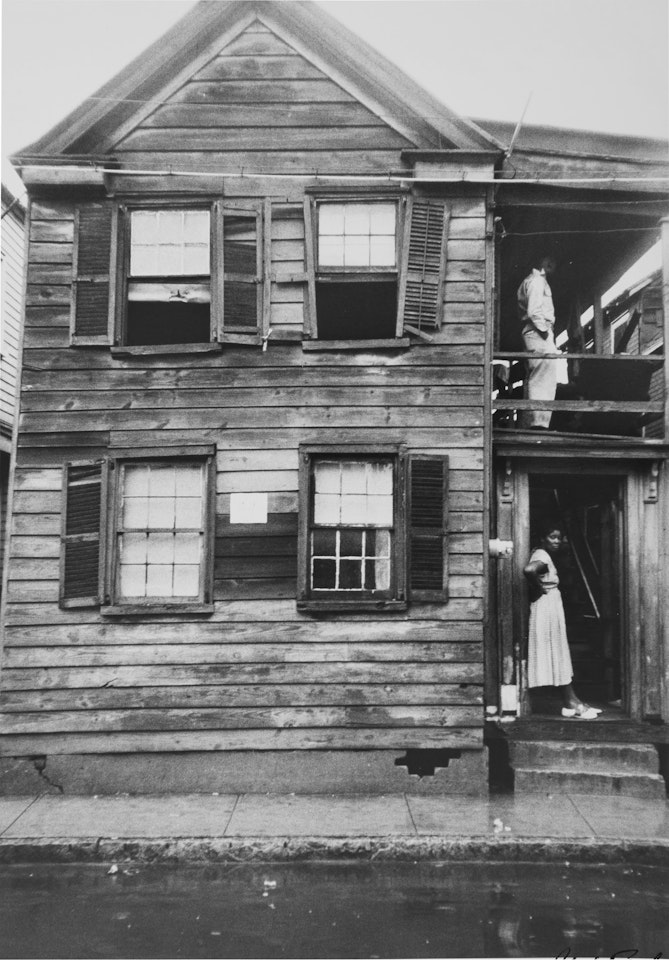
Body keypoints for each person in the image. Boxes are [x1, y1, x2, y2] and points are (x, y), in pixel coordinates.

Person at [523, 523, 601, 719]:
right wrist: (540, 589)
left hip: (549, 605)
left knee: (558, 651)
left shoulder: (541, 553)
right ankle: (572, 702)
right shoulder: (541, 555)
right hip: (547, 605)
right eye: (552, 537)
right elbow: (530, 570)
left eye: (559, 538)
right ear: (543, 538)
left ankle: (570, 702)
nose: (557, 541)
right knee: (557, 651)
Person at [517, 255, 558, 429]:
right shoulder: (536, 281)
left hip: (537, 330)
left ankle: (535, 422)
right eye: (547, 260)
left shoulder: (535, 280)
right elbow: (534, 311)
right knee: (543, 374)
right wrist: (544, 332)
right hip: (538, 330)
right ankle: (539, 424)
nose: (551, 264)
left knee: (540, 374)